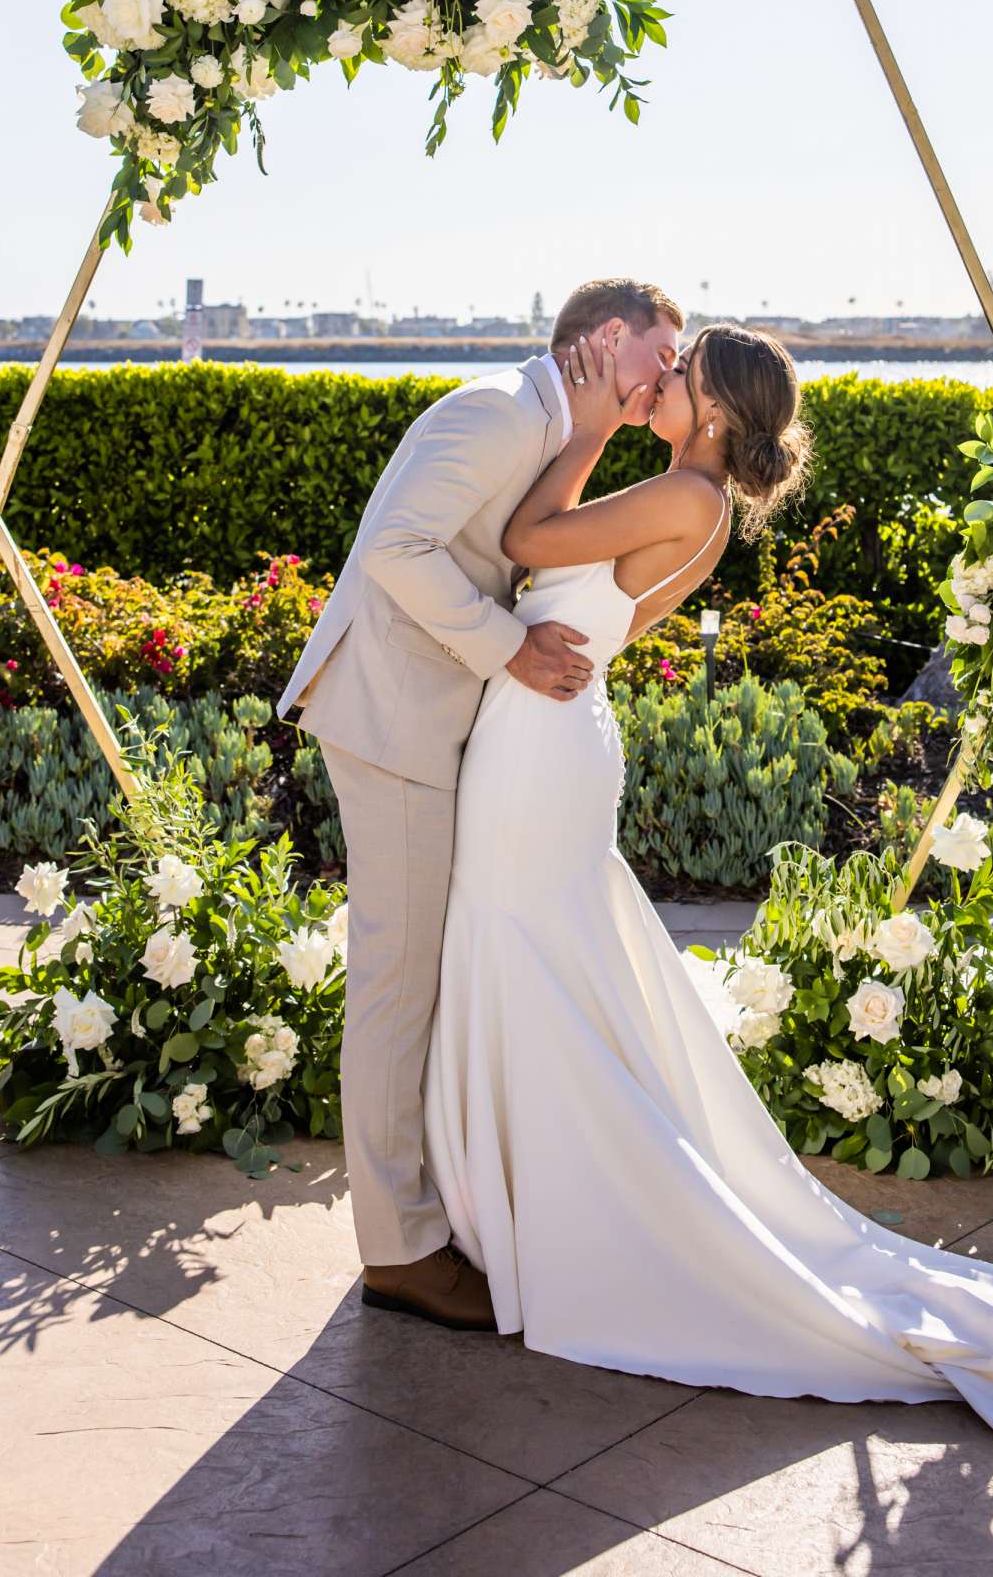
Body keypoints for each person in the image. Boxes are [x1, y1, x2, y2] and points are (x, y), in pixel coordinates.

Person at [417, 320, 993, 1461]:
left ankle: (547, 1221)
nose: (656, 383)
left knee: (521, 949)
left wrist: (579, 425)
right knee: (531, 952)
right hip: (555, 733)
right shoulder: (691, 499)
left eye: (675, 378)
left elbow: (523, 543)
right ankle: (518, 1209)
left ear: (713, 411)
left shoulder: (681, 499)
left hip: (540, 747)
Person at [277, 277, 684, 1327]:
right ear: (604, 338)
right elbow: (396, 552)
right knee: (397, 985)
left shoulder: (549, 424)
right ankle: (399, 1252)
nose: (667, 377)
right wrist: (510, 650)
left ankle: (433, 1207)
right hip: (392, 721)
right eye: (659, 351)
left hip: (434, 722)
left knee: (422, 975)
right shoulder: (497, 410)